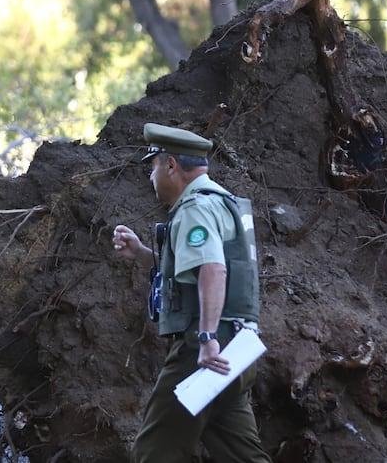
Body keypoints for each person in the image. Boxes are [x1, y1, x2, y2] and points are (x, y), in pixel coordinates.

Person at [112, 123, 271, 463]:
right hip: (237, 350)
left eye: (154, 166)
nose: (151, 176)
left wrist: (206, 337)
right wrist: (142, 253)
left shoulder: (194, 208)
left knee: (155, 452)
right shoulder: (222, 201)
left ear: (171, 165)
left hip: (207, 350)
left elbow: (213, 268)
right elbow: (198, 266)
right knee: (243, 456)